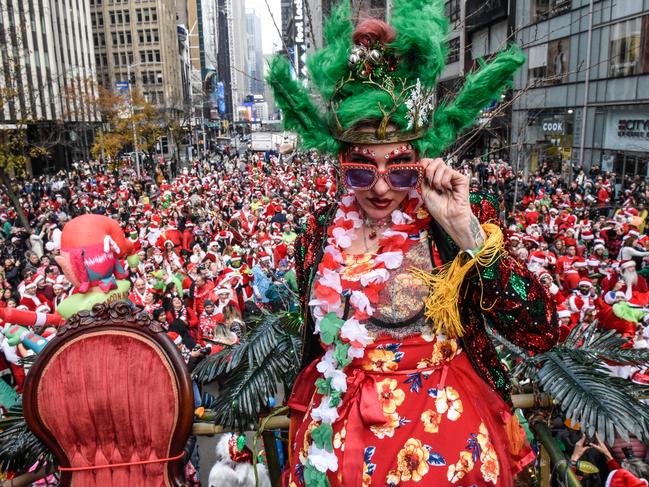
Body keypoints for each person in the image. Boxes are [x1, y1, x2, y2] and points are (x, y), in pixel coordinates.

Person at [268, 4, 558, 486]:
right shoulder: (319, 233)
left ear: (421, 160)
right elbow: (313, 346)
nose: (382, 188)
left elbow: (540, 329)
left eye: (399, 167)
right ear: (341, 162)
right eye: (363, 168)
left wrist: (467, 234)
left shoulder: (452, 221)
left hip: (445, 442)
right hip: (338, 442)